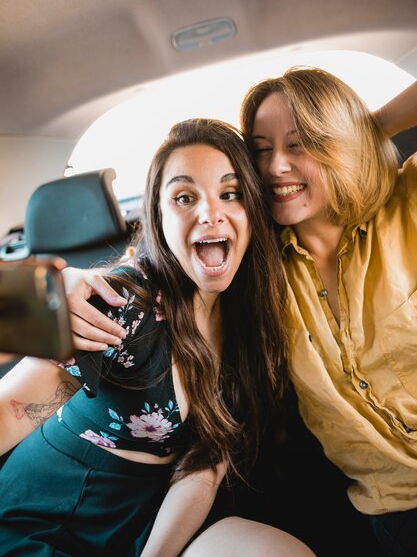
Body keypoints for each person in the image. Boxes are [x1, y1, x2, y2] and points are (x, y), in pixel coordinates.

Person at [64, 70, 417, 557]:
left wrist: (366, 128)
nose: (276, 167)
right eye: (261, 150)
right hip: (394, 510)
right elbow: (164, 264)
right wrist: (59, 283)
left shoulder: (408, 204)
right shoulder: (251, 272)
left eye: (302, 143)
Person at [0, 118, 316, 557]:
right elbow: (5, 416)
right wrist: (35, 303)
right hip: (52, 512)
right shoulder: (122, 303)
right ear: (158, 216)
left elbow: (204, 469)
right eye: (185, 198)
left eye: (230, 194)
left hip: (150, 514)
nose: (210, 213)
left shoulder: (252, 324)